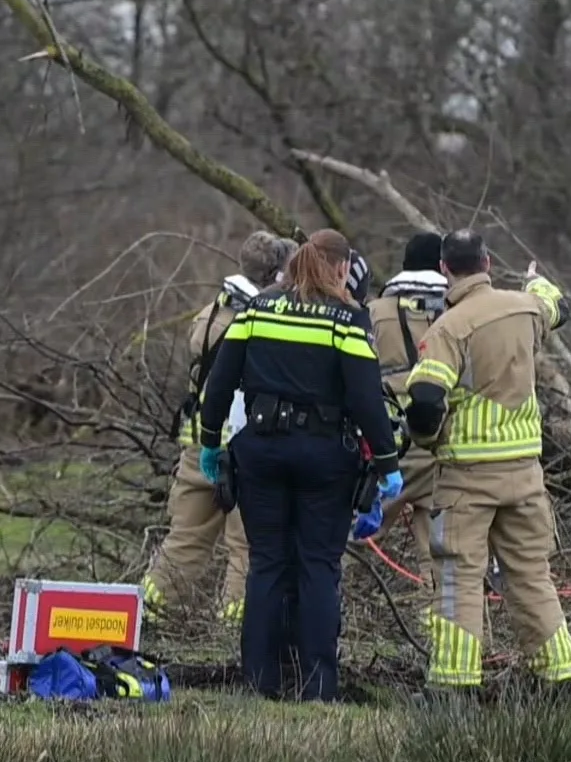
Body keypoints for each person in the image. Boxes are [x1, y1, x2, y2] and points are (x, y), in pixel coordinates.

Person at [196, 229, 403, 702]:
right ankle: (317, 685)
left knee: (266, 564)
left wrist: (211, 442)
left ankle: (259, 681)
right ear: (338, 269)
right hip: (323, 456)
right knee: (317, 566)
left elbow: (221, 381)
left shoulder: (257, 310)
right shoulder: (347, 319)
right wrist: (387, 461)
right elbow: (367, 399)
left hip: (261, 452)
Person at [403, 229, 571, 691]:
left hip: (468, 477)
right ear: (486, 262)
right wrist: (533, 281)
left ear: (445, 270)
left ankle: (454, 686)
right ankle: (560, 677)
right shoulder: (525, 308)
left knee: (458, 580)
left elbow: (423, 400)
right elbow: (556, 304)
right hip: (524, 474)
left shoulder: (449, 328)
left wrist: (427, 438)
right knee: (531, 576)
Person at [142, 231, 295, 623]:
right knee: (248, 545)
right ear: (277, 274)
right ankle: (237, 625)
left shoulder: (212, 310)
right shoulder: (265, 319)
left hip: (199, 443)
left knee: (185, 538)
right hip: (243, 446)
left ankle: (150, 612)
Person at [366, 232, 448, 585]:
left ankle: (319, 612)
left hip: (389, 443)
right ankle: (435, 621)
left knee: (355, 536)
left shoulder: (373, 312)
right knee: (438, 552)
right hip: (439, 440)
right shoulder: (455, 311)